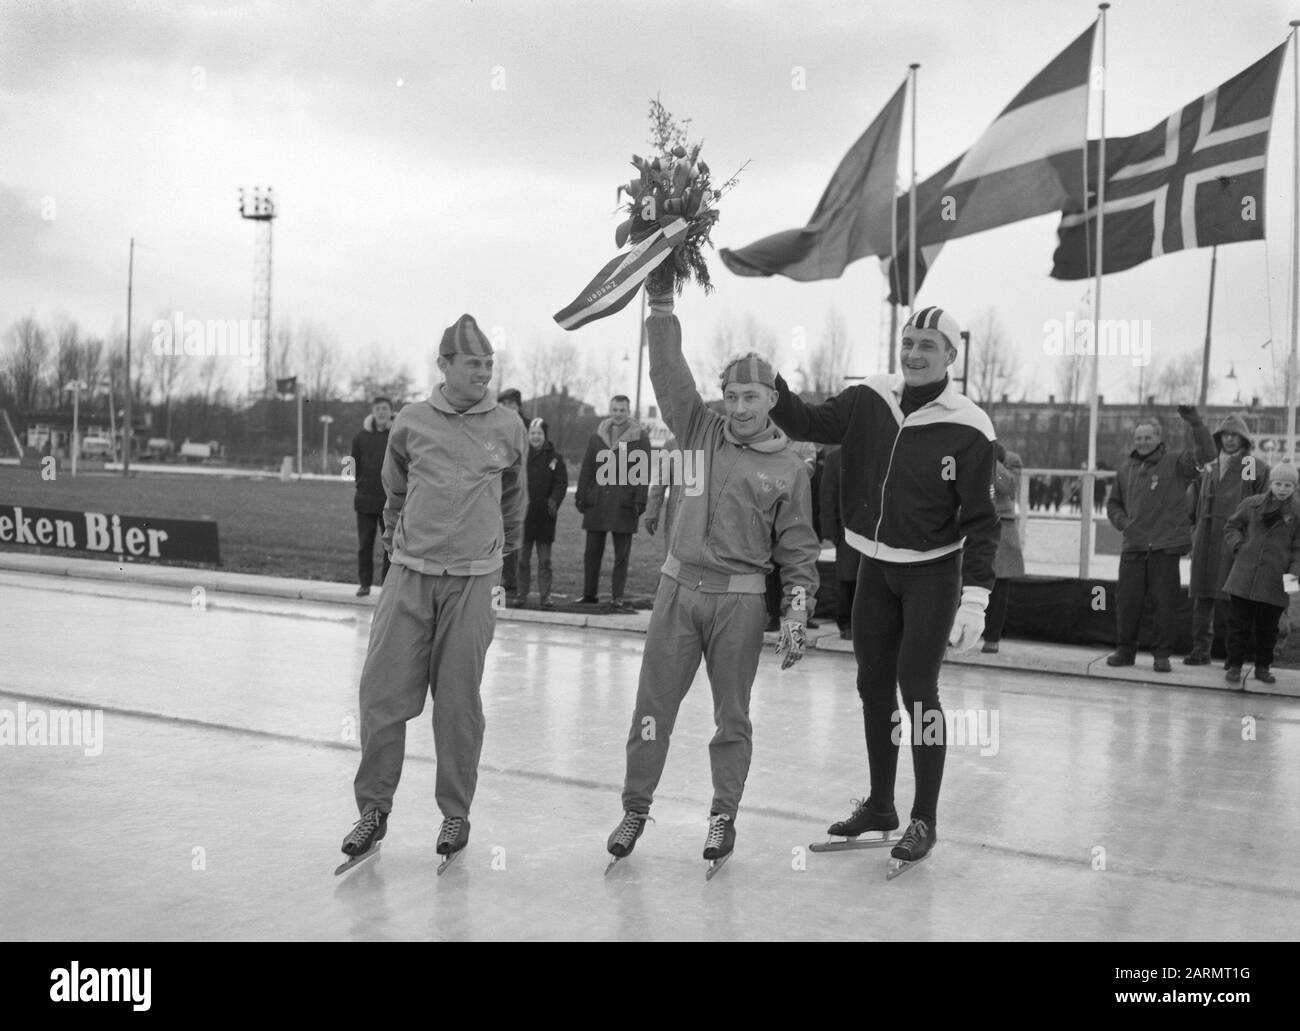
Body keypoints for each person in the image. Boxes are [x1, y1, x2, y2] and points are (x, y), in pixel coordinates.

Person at [769, 305, 999, 872]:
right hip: (873, 567)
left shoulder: (971, 426)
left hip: (932, 572)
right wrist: (768, 381)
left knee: (917, 688)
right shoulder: (871, 396)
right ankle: (880, 805)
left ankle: (925, 816)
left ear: (950, 355)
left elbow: (981, 522)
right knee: (874, 686)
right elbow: (809, 424)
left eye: (928, 345)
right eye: (908, 342)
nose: (914, 353)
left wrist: (976, 599)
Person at [606, 284, 820, 871]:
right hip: (677, 594)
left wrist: (797, 614)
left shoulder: (790, 469)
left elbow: (799, 553)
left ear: (772, 397)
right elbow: (670, 374)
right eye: (730, 395)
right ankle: (634, 806)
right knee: (652, 706)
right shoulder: (699, 431)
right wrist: (662, 309)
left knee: (732, 716)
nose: (739, 406)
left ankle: (723, 814)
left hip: (739, 605)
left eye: (750, 396)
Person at [339, 314, 526, 869]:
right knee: (380, 695)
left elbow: (514, 498)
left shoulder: (509, 426)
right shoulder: (412, 422)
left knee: (458, 703)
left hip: (473, 583)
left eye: (489, 365)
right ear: (444, 366)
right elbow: (393, 489)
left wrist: (496, 554)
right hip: (410, 575)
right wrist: (401, 545)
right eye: (473, 364)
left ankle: (455, 813)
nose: (483, 372)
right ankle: (373, 809)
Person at [1105, 409, 1213, 672]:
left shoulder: (1177, 463)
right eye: (1138, 437)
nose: (1142, 442)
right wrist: (1124, 525)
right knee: (1127, 602)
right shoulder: (1125, 470)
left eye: (1147, 437)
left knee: (1165, 605)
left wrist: (1195, 423)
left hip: (1164, 548)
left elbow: (1208, 455)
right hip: (1133, 548)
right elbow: (1113, 504)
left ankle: (1161, 654)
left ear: (1159, 438)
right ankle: (1125, 650)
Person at [1185, 413, 1268, 665]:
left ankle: (1235, 656)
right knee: (1202, 596)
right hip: (1206, 538)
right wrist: (1192, 529)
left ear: (1243, 438)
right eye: (1225, 435)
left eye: (1235, 435)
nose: (1230, 440)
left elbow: (1262, 503)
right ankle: (1200, 651)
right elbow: (1193, 501)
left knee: (1235, 602)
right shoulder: (1210, 466)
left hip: (1235, 540)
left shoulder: (1251, 466)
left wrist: (1251, 540)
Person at [1222, 462, 1300, 685]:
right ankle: (1234, 665)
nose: (1282, 488)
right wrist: (1238, 545)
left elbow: (1298, 548)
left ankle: (1263, 666)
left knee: (1268, 629)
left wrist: (1294, 573)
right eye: (1278, 483)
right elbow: (1231, 526)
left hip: (1275, 580)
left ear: (1294, 487)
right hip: (1244, 577)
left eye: (1287, 485)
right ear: (1270, 484)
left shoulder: (1297, 513)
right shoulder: (1251, 505)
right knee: (1238, 625)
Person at [576, 394, 650, 613]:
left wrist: (639, 501)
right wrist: (582, 495)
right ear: (610, 410)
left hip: (623, 503)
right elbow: (587, 468)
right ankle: (589, 594)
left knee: (621, 555)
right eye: (614, 410)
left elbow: (643, 473)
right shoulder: (596, 437)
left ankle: (617, 597)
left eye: (622, 410)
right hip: (597, 502)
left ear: (629, 411)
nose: (618, 414)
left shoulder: (639, 437)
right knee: (591, 552)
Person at [765, 439, 820, 632]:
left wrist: (797, 615)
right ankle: (771, 615)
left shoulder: (803, 448)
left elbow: (800, 560)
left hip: (791, 515)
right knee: (769, 572)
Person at [517, 417, 568, 609]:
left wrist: (554, 501)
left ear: (545, 436)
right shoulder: (521, 456)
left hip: (545, 517)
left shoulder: (555, 458)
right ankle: (522, 594)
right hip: (524, 517)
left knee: (545, 560)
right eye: (532, 433)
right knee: (522, 560)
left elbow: (561, 483)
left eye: (539, 433)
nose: (535, 437)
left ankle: (545, 596)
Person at [982, 441, 1025, 653]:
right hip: (973, 523)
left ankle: (992, 638)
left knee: (999, 586)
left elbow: (1007, 485)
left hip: (1002, 526)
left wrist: (992, 461)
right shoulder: (966, 451)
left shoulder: (1010, 459)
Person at [350, 396, 393, 597]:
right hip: (365, 501)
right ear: (373, 411)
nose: (381, 412)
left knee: (390, 547)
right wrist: (361, 485)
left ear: (391, 411)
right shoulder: (360, 437)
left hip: (391, 502)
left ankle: (388, 586)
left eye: (385, 408)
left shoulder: (398, 434)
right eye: (378, 408)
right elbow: (353, 466)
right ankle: (364, 583)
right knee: (365, 544)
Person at [818, 445, 858, 640]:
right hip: (846, 531)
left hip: (875, 530)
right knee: (848, 578)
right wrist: (830, 532)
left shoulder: (880, 451)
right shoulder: (835, 458)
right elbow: (827, 496)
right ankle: (846, 623)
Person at [497, 388, 528, 602]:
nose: (507, 408)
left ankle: (512, 589)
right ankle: (496, 595)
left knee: (511, 547)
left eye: (511, 404)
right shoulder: (493, 429)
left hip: (516, 500)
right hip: (494, 499)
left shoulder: (525, 431)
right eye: (504, 404)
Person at [644, 434, 682, 557]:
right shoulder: (671, 445)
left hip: (704, 516)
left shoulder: (711, 442)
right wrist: (652, 512)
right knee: (673, 558)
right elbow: (660, 482)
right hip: (676, 513)